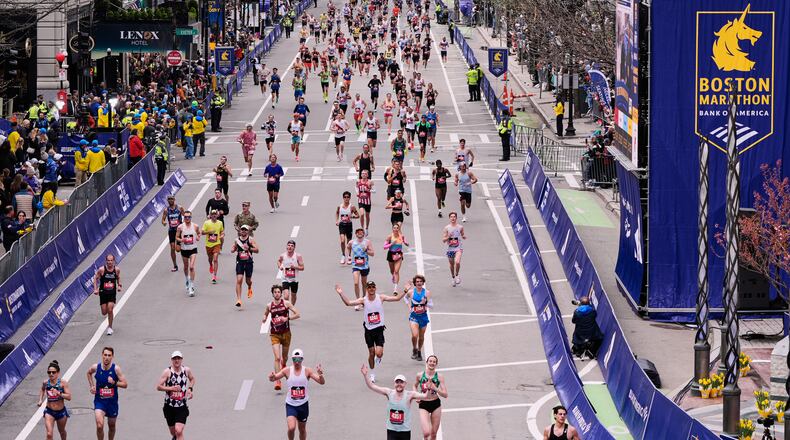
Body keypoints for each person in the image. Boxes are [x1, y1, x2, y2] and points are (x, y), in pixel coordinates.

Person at [335, 281, 407, 382]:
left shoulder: (381, 298)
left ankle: (379, 357)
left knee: (379, 354)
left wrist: (405, 290)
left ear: (375, 288)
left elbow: (397, 298)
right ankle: (372, 374)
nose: (371, 289)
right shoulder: (363, 300)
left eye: (373, 287)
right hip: (368, 331)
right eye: (369, 287)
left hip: (379, 330)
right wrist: (341, 293)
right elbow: (348, 303)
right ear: (367, 289)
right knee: (372, 353)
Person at [267, 349, 325, 440]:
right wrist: (271, 377)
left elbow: (321, 382)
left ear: (302, 359)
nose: (296, 362)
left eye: (298, 359)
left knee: (302, 429)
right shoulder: (287, 371)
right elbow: (274, 378)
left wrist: (320, 375)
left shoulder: (307, 371)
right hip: (291, 405)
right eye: (294, 359)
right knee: (291, 428)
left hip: (303, 405)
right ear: (292, 359)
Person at [361, 366, 431, 440]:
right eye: (397, 382)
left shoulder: (410, 395)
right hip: (391, 430)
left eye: (401, 382)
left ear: (405, 384)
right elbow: (372, 386)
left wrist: (429, 388)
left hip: (405, 430)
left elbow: (426, 396)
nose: (399, 384)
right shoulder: (389, 392)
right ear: (394, 383)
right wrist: (365, 375)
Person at [262, 285, 301, 390]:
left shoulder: (286, 303)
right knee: (277, 358)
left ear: (281, 294)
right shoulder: (269, 305)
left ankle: (283, 366)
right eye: (275, 292)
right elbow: (265, 314)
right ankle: (277, 380)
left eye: (279, 292)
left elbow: (298, 314)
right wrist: (264, 318)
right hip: (274, 334)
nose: (277, 294)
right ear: (272, 294)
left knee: (284, 358)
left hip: (286, 333)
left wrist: (287, 318)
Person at [86, 347, 128, 440]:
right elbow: (89, 373)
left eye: (109, 355)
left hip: (112, 403)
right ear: (102, 355)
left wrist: (114, 383)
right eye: (105, 355)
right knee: (100, 425)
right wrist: (92, 385)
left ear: (112, 356)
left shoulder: (116, 369)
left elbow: (125, 384)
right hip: (99, 402)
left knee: (112, 426)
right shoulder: (96, 367)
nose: (107, 357)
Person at [156, 351, 195, 440]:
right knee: (173, 432)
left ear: (181, 360)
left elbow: (192, 379)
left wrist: (190, 389)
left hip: (181, 406)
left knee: (179, 430)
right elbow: (158, 387)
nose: (176, 360)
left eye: (178, 358)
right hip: (169, 407)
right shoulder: (167, 372)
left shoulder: (186, 370)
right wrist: (171, 388)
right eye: (174, 359)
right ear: (171, 360)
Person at [414, 355, 448, 440]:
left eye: (434, 362)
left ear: (436, 364)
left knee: (433, 434)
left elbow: (445, 394)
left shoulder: (440, 377)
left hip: (435, 404)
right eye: (430, 361)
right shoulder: (420, 375)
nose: (432, 363)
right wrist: (417, 395)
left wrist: (435, 388)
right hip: (423, 404)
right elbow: (414, 386)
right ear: (427, 362)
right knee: (426, 433)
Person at [38, 360, 71, 440]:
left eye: (53, 372)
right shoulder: (46, 382)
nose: (51, 374)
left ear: (58, 372)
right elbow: (42, 389)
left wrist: (59, 393)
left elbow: (69, 397)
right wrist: (40, 399)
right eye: (49, 372)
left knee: (62, 431)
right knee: (49, 434)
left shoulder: (63, 383)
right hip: (49, 411)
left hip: (61, 412)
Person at [230, 224, 259, 307]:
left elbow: (257, 250)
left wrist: (249, 248)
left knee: (248, 281)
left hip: (249, 262)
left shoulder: (250, 240)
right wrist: (233, 249)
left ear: (248, 231)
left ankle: (249, 287)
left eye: (245, 230)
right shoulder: (237, 240)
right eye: (242, 229)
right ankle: (239, 299)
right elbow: (233, 248)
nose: (243, 231)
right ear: (240, 231)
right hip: (240, 262)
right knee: (239, 280)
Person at [93, 254, 122, 336]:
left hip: (112, 293)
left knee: (110, 309)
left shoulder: (116, 270)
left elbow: (118, 278)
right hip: (103, 293)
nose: (110, 262)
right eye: (108, 260)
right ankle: (109, 324)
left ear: (114, 261)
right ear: (106, 261)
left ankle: (110, 327)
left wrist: (119, 286)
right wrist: (95, 289)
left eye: (111, 260)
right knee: (104, 312)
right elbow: (95, 278)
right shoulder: (102, 270)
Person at [404, 276, 431, 360]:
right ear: (415, 283)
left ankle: (419, 351)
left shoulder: (427, 292)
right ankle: (414, 348)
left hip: (423, 317)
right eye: (417, 281)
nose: (419, 283)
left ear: (423, 283)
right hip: (414, 317)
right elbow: (405, 298)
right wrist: (409, 306)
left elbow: (431, 305)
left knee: (421, 336)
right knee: (415, 335)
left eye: (420, 281)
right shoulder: (411, 292)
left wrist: (425, 302)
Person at [175, 211, 201, 296]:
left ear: (191, 217)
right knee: (186, 267)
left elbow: (199, 233)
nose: (187, 218)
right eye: (185, 217)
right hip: (184, 249)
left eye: (188, 217)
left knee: (191, 267)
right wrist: (182, 240)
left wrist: (198, 237)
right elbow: (177, 237)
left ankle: (191, 286)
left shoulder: (195, 226)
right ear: (183, 218)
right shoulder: (180, 227)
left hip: (193, 249)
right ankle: (187, 279)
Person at [336, 191, 360, 265]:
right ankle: (343, 255)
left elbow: (358, 215)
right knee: (342, 241)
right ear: (343, 198)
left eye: (348, 197)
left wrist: (351, 216)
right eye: (345, 197)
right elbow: (337, 213)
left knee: (349, 242)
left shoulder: (352, 207)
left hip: (349, 225)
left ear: (349, 198)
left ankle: (349, 256)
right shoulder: (339, 206)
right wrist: (337, 220)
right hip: (342, 225)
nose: (346, 198)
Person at [442, 212, 466, 286]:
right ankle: (453, 278)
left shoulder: (460, 227)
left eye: (454, 217)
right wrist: (448, 236)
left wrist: (463, 236)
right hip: (450, 248)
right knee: (451, 265)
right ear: (449, 218)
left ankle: (457, 275)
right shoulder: (447, 228)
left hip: (458, 247)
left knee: (457, 262)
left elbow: (462, 234)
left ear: (456, 218)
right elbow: (443, 240)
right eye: (451, 217)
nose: (453, 218)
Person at [384, 223, 410, 293]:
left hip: (398, 255)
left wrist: (406, 243)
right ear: (392, 229)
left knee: (396, 271)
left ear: (399, 229)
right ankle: (393, 276)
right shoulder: (390, 237)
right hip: (391, 254)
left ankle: (395, 289)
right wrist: (391, 244)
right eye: (394, 228)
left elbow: (404, 241)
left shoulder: (401, 236)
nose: (395, 229)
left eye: (397, 228)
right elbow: (384, 247)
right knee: (392, 271)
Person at [278, 240, 305, 304]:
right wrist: (280, 266)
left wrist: (295, 267)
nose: (290, 247)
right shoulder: (282, 255)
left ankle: (292, 307)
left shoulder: (298, 256)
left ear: (294, 248)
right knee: (286, 296)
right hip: (285, 278)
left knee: (293, 295)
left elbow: (302, 268)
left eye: (292, 246)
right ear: (286, 247)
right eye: (289, 245)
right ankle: (287, 309)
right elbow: (278, 261)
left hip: (294, 280)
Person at [202, 209, 225, 284]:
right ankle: (210, 265)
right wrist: (209, 232)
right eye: (213, 214)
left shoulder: (220, 223)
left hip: (217, 244)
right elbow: (202, 232)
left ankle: (214, 276)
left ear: (217, 215)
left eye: (215, 214)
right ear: (210, 215)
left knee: (215, 259)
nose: (214, 215)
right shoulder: (206, 223)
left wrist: (222, 235)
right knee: (210, 258)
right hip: (208, 244)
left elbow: (222, 231)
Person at [162, 196, 184, 272]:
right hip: (171, 230)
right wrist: (164, 222)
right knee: (172, 248)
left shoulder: (179, 208)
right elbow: (163, 219)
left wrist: (185, 224)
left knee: (178, 250)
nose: (170, 201)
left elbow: (185, 215)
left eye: (172, 199)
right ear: (167, 201)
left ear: (174, 200)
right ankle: (175, 265)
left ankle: (185, 254)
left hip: (179, 230)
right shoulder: (166, 210)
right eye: (169, 199)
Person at [355, 169, 374, 235]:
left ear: (368, 175)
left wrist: (368, 190)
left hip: (368, 201)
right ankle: (362, 228)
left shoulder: (370, 182)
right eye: (362, 173)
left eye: (365, 174)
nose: (364, 175)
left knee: (367, 215)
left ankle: (366, 228)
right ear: (361, 174)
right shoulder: (358, 181)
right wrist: (357, 192)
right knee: (362, 214)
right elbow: (356, 187)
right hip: (361, 200)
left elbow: (374, 190)